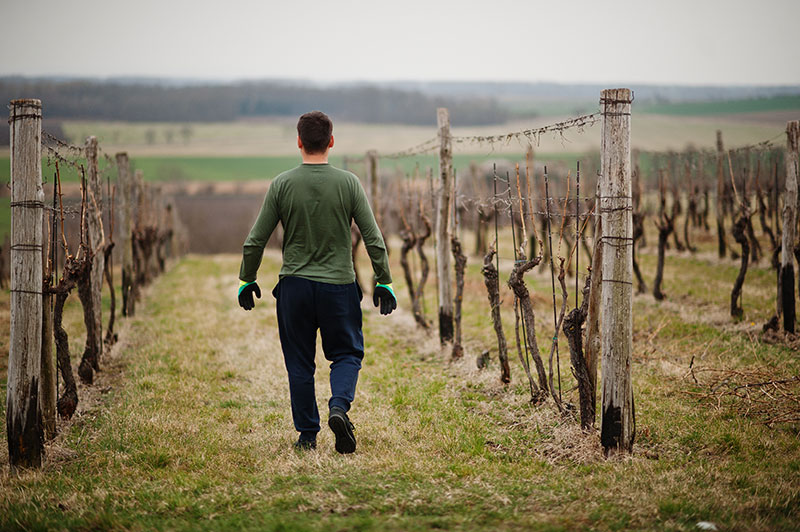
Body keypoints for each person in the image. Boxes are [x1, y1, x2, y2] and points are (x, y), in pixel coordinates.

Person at [238, 111, 396, 454]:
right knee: (346, 353)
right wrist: (384, 281)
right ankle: (338, 407)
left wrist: (246, 279)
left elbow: (254, 241)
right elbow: (373, 239)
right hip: (339, 287)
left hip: (294, 288)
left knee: (299, 362)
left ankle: (308, 435)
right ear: (331, 141)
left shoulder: (281, 184)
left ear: (298, 142)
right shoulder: (350, 183)